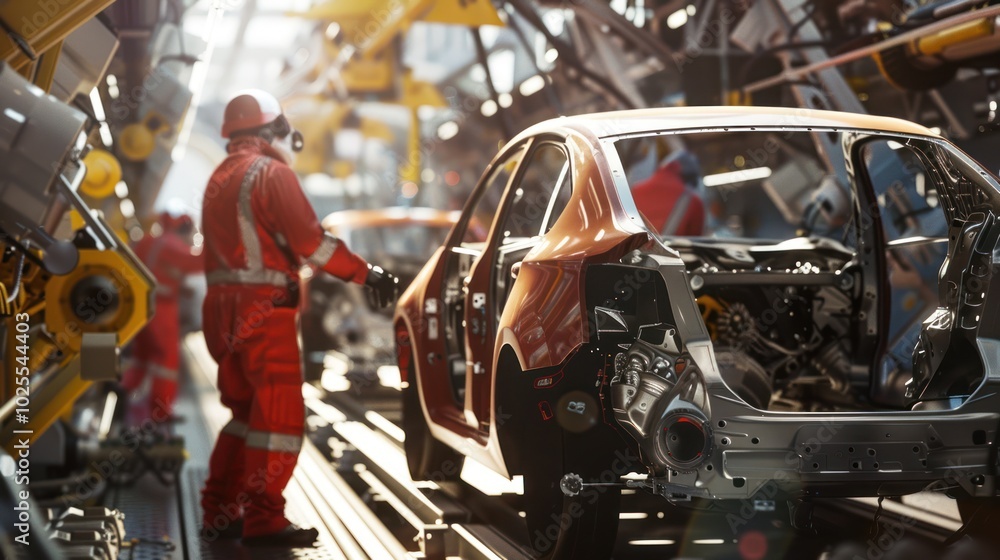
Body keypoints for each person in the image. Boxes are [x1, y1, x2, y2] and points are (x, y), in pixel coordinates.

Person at [198, 90, 398, 546]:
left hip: (222, 311)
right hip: (263, 312)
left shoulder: (219, 175)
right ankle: (264, 519)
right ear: (272, 131)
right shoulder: (271, 172)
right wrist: (367, 274)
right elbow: (313, 243)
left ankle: (220, 511)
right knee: (278, 417)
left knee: (243, 415)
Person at [122, 211, 203, 422]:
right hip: (162, 308)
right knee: (166, 360)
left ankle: (124, 390)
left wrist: (181, 288)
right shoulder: (172, 244)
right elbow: (194, 262)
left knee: (142, 355)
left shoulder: (151, 240)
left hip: (143, 305)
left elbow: (159, 272)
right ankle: (161, 411)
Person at [630, 149, 705, 236]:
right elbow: (695, 244)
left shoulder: (634, 191)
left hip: (633, 248)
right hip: (673, 249)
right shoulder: (694, 201)